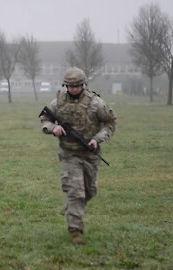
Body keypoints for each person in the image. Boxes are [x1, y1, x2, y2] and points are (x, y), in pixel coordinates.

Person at [40, 67, 116, 245]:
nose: (73, 89)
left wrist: (97, 139)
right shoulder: (58, 103)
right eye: (69, 86)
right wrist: (53, 128)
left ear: (83, 85)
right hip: (69, 154)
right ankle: (76, 231)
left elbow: (110, 123)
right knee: (76, 191)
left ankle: (71, 208)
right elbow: (45, 118)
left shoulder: (96, 104)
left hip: (90, 155)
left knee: (89, 191)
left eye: (77, 86)